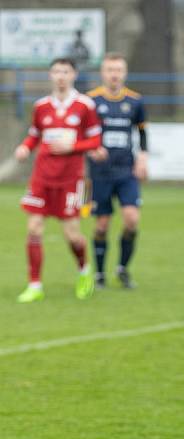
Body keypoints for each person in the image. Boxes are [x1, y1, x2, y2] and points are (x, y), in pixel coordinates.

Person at [14, 57, 101, 303]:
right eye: (56, 72)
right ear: (50, 76)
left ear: (73, 75)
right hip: (41, 177)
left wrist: (73, 145)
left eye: (65, 71)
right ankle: (34, 285)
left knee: (72, 235)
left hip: (73, 179)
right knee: (33, 228)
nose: (60, 76)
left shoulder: (85, 105)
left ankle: (84, 271)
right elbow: (34, 135)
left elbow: (95, 141)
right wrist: (24, 147)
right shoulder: (41, 106)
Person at [87, 53, 148, 288]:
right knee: (102, 225)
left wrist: (142, 158)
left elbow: (142, 133)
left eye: (118, 70)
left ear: (124, 73)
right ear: (103, 73)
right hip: (100, 172)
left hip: (126, 171)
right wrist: (92, 149)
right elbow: (83, 132)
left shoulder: (135, 101)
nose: (114, 74)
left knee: (131, 220)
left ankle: (122, 268)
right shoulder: (91, 100)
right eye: (110, 70)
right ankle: (100, 273)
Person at [65, 29, 91, 94]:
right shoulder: (73, 46)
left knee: (83, 88)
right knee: (73, 88)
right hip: (74, 69)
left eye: (80, 35)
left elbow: (88, 56)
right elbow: (70, 57)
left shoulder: (84, 46)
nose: (79, 37)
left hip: (83, 70)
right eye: (78, 35)